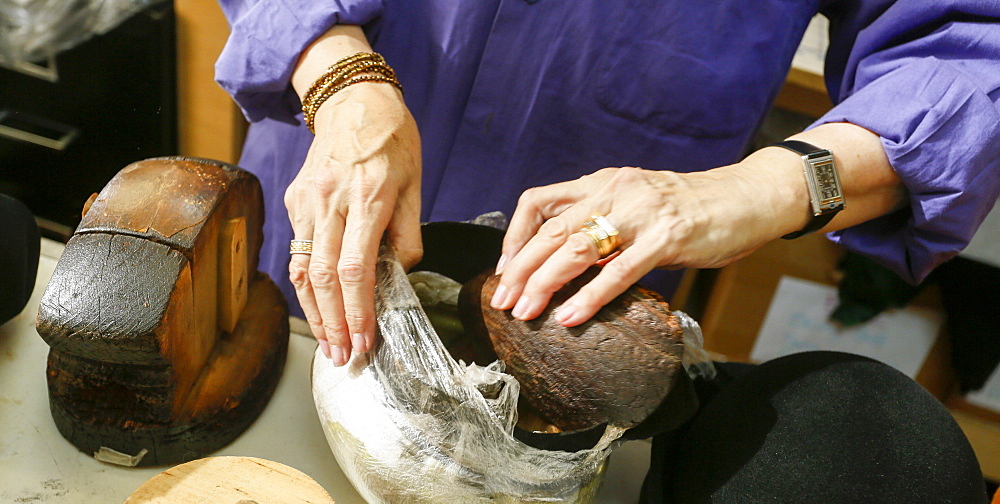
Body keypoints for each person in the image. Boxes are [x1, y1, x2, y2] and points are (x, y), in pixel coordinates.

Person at [215, 1, 1000, 365]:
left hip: (579, 313)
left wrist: (764, 187)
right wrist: (338, 71)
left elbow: (967, 55)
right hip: (318, 202)